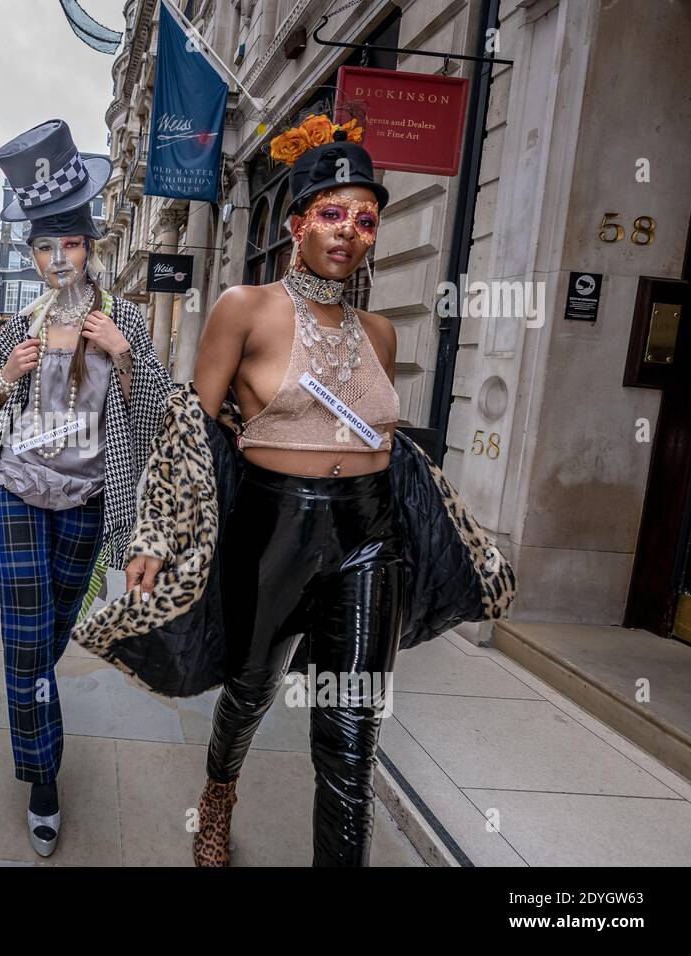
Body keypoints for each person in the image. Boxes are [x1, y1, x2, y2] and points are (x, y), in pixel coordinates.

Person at [163, 115, 402, 866]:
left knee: (351, 739)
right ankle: (219, 791)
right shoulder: (244, 308)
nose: (349, 232)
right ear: (296, 224)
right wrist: (157, 538)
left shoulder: (382, 333)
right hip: (271, 534)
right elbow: (190, 431)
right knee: (249, 693)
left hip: (367, 541)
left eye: (365, 220)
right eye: (332, 214)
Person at [0, 119, 172, 857]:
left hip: (87, 502)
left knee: (45, 638)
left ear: (89, 248)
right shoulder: (18, 322)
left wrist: (126, 359)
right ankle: (44, 777)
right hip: (14, 490)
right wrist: (3, 377)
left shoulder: (127, 322)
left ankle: (33, 708)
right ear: (33, 254)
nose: (58, 258)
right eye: (45, 248)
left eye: (70, 245)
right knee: (23, 637)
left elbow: (153, 423)